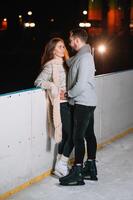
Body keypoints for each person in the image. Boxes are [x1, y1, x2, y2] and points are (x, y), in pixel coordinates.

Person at [59, 28, 98, 186]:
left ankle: (77, 172)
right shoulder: (81, 56)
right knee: (88, 134)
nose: (69, 43)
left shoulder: (86, 58)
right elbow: (70, 63)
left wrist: (68, 94)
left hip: (83, 102)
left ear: (76, 40)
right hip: (87, 101)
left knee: (78, 137)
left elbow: (81, 84)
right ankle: (91, 167)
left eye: (70, 41)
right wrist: (64, 53)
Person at [34, 37, 73, 177]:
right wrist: (53, 87)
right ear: (53, 50)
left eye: (63, 46)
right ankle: (62, 163)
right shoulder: (51, 65)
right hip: (61, 105)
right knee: (73, 135)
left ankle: (59, 165)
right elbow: (38, 81)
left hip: (70, 102)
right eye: (59, 46)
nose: (63, 48)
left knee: (67, 135)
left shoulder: (66, 63)